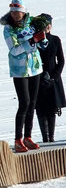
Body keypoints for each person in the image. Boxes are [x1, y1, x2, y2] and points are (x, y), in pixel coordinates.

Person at [0, 0, 48, 152]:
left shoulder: (32, 24)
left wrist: (42, 38)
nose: (15, 14)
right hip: (19, 70)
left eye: (18, 12)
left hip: (34, 68)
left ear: (23, 12)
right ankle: (17, 139)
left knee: (32, 103)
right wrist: (32, 41)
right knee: (24, 103)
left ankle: (28, 137)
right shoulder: (9, 28)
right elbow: (14, 50)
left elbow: (43, 44)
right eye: (13, 12)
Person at [36, 14, 66, 142]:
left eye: (48, 24)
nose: (47, 27)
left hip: (53, 78)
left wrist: (54, 77)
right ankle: (45, 138)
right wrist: (41, 77)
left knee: (52, 108)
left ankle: (51, 138)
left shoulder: (55, 39)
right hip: (38, 78)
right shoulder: (34, 40)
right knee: (41, 108)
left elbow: (61, 60)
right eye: (44, 25)